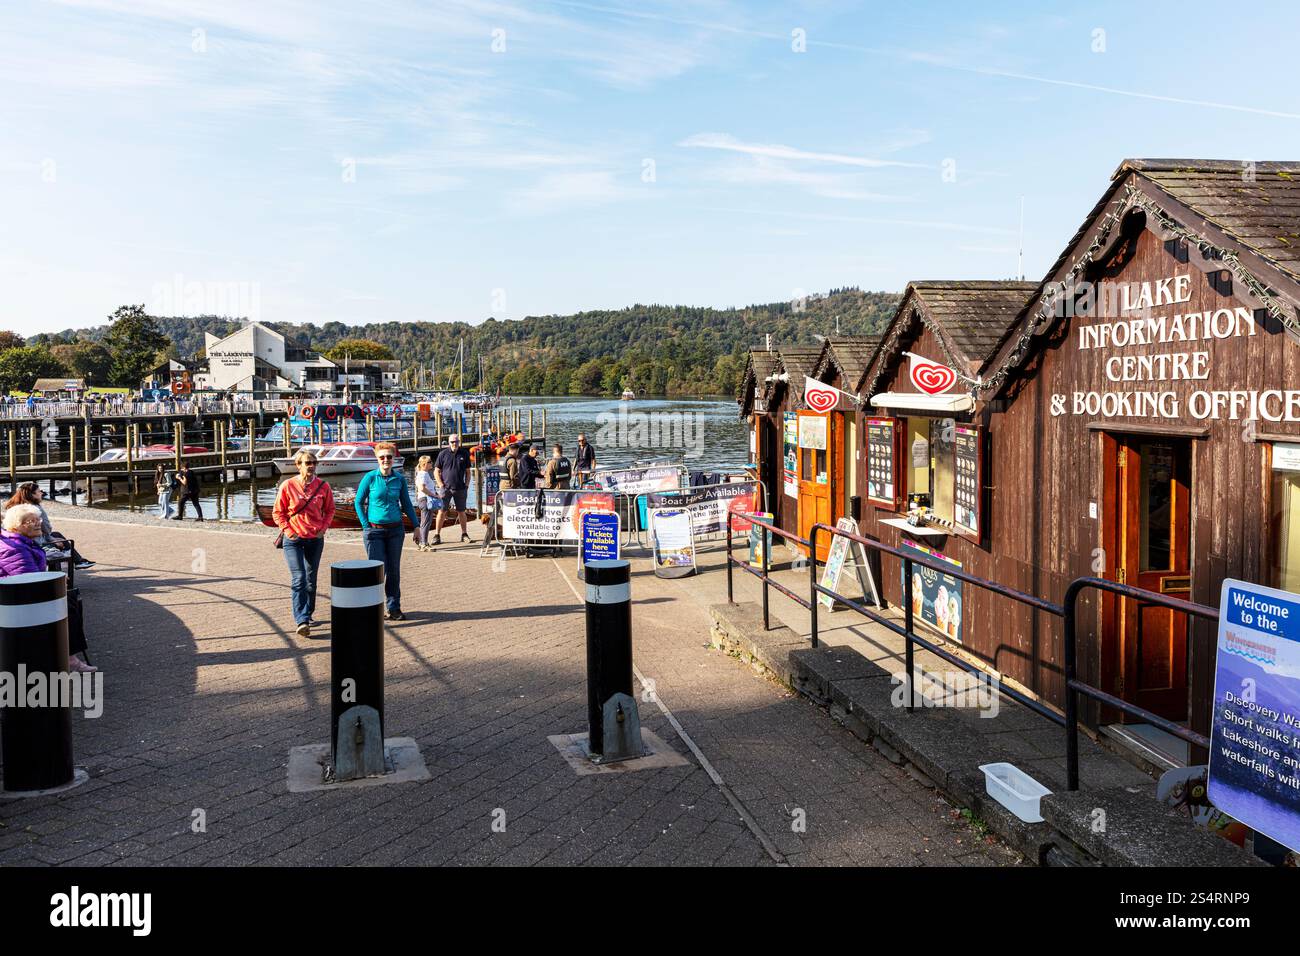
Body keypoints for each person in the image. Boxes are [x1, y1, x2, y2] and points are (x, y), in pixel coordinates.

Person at [0, 504, 96, 672]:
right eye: (31, 521)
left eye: (39, 519)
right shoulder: (15, 548)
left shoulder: (20, 541)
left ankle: (68, 654)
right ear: (16, 526)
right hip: (14, 601)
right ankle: (69, 657)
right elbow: (30, 582)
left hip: (14, 596)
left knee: (71, 599)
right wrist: (55, 584)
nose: (38, 524)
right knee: (68, 605)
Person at [272, 450, 335, 637]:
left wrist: (323, 529)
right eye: (307, 462)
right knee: (298, 578)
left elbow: (330, 509)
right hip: (293, 539)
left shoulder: (323, 486)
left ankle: (308, 612)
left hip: (315, 539)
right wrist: (288, 531)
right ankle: (301, 619)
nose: (311, 466)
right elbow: (278, 512)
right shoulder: (288, 485)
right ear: (298, 465)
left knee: (311, 580)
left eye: (314, 462)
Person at [355, 441, 417, 621]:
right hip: (374, 532)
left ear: (393, 458)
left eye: (389, 457)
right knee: (377, 571)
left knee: (394, 571)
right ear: (377, 459)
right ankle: (373, 607)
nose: (386, 460)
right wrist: (366, 525)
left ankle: (394, 607)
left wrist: (417, 526)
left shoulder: (399, 479)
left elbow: (406, 504)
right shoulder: (370, 478)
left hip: (395, 531)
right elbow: (358, 502)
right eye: (382, 457)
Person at [4, 482, 94, 569]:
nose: (42, 493)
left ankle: (78, 560)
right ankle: (75, 561)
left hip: (16, 540)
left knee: (57, 535)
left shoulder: (14, 508)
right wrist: (51, 539)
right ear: (32, 495)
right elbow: (46, 527)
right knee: (59, 542)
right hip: (35, 543)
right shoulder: (35, 509)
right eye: (39, 491)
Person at [432, 434, 472, 546]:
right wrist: (440, 484)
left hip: (460, 488)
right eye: (452, 442)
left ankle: (464, 534)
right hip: (446, 489)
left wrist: (467, 485)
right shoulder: (443, 454)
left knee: (461, 511)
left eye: (456, 441)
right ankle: (437, 535)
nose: (454, 444)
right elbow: (436, 471)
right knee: (442, 511)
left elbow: (468, 472)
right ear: (448, 442)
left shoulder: (464, 453)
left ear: (459, 442)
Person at [413, 455, 437, 552]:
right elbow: (422, 488)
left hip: (423, 499)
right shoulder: (423, 474)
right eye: (430, 462)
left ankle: (423, 542)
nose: (432, 463)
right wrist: (433, 495)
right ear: (424, 464)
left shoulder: (421, 473)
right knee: (426, 522)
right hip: (425, 499)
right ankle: (423, 543)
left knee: (425, 521)